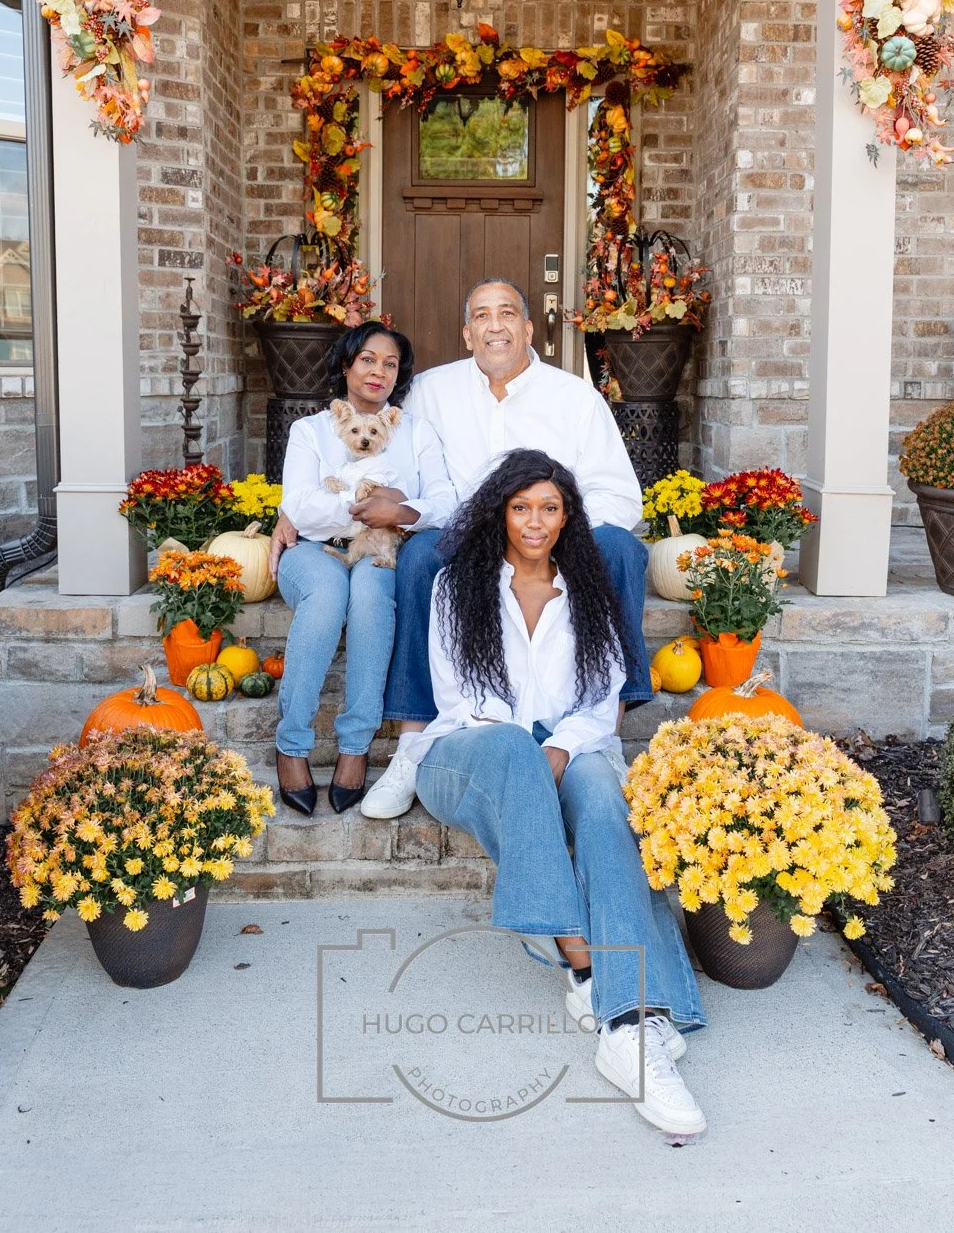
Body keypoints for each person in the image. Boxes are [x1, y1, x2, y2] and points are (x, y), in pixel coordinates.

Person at [403, 448, 707, 1137]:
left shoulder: (590, 585)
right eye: (521, 508)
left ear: (567, 515)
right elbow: (461, 700)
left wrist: (563, 748)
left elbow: (603, 700)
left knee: (604, 800)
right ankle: (586, 963)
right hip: (466, 753)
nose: (535, 522)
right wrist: (529, 756)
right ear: (500, 514)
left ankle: (627, 1024)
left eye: (549, 507)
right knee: (512, 747)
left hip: (568, 744)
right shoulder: (459, 585)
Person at [271, 277, 653, 820]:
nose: (494, 325)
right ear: (466, 333)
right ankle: (412, 743)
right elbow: (377, 450)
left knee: (618, 547)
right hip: (466, 533)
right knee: (421, 554)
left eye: (506, 314)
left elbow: (619, 494)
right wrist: (292, 509)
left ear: (527, 327)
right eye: (481, 316)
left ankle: (606, 737)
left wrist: (552, 530)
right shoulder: (430, 390)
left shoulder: (575, 398)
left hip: (550, 532)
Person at [273, 321, 456, 815]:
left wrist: (399, 512)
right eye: (368, 360)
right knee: (329, 597)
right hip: (316, 549)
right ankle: (291, 744)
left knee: (374, 597)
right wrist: (370, 503)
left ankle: (355, 746)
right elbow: (301, 506)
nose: (379, 371)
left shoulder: (416, 433)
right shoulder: (309, 431)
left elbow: (444, 500)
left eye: (391, 364)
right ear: (347, 365)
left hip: (385, 544)